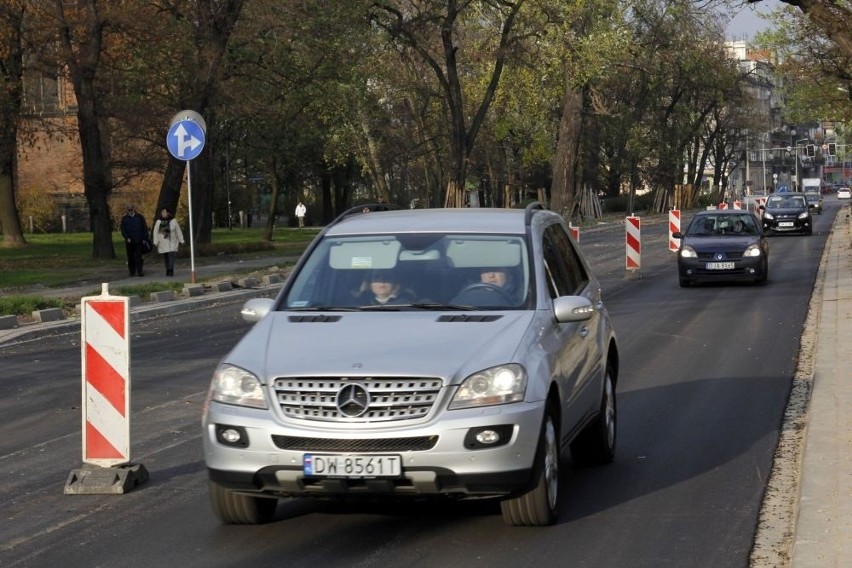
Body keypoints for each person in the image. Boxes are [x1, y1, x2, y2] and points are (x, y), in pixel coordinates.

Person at [152, 207, 185, 276]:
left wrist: (181, 240)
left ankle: (171, 270)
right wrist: (155, 241)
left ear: (168, 213)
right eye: (162, 212)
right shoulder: (159, 222)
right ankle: (167, 268)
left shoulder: (173, 221)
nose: (163, 213)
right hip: (163, 242)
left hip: (172, 241)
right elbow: (155, 232)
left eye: (165, 212)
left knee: (171, 256)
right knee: (166, 256)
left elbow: (178, 231)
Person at [119, 205, 149, 277]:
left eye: (131, 210)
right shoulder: (124, 219)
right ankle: (132, 271)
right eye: (129, 210)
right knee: (130, 257)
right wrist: (127, 237)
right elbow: (123, 230)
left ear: (134, 210)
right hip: (129, 241)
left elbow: (144, 227)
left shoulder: (139, 217)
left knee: (138, 256)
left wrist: (144, 238)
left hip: (139, 240)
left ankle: (140, 271)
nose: (130, 211)